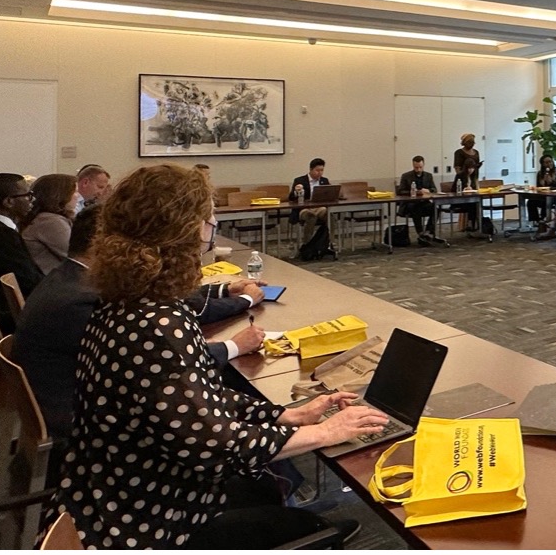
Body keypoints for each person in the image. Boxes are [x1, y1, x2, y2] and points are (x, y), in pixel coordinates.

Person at [47, 164, 386, 549]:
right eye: (209, 222)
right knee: (304, 522)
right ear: (185, 233)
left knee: (266, 490)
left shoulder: (128, 302)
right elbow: (215, 445)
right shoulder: (159, 324)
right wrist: (326, 431)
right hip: (149, 524)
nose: (212, 231)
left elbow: (196, 396)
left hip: (116, 494)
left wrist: (285, 414)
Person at [14, 205, 267, 441]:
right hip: (87, 417)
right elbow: (158, 365)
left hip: (84, 393)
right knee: (223, 403)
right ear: (102, 245)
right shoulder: (84, 299)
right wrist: (232, 346)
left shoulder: (71, 279)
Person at [0, 173, 44, 333]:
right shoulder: (0, 235)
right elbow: (28, 280)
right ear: (9, 202)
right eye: (28, 195)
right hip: (11, 316)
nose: (32, 200)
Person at [21, 173, 79, 274]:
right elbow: (77, 256)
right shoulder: (49, 221)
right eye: (75, 192)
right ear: (60, 195)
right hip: (54, 284)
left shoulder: (47, 218)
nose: (78, 196)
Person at [396, 155, 438, 244]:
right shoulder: (406, 176)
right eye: (416, 167)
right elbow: (400, 191)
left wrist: (428, 190)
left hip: (424, 202)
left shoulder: (428, 176)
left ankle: (428, 231)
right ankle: (420, 233)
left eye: (420, 167)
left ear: (424, 165)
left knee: (435, 208)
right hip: (410, 203)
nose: (418, 170)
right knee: (416, 208)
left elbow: (434, 190)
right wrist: (411, 192)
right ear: (413, 165)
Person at [289, 157, 330, 243]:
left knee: (329, 215)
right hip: (304, 209)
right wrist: (297, 191)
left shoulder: (324, 181)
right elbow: (291, 198)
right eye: (317, 170)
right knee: (311, 217)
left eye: (322, 170)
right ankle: (307, 243)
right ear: (311, 169)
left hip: (319, 208)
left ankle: (329, 242)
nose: (320, 173)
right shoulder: (299, 180)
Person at [527, 154, 556, 236]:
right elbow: (538, 186)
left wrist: (552, 182)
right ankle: (537, 221)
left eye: (550, 162)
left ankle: (543, 219)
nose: (549, 164)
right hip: (543, 195)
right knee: (531, 202)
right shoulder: (540, 173)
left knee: (545, 201)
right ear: (543, 164)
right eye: (546, 162)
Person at [451, 158, 481, 231]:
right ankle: (471, 224)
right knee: (473, 205)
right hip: (460, 201)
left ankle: (475, 225)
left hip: (470, 199)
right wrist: (464, 189)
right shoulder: (460, 175)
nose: (470, 170)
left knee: (476, 204)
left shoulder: (474, 176)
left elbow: (476, 188)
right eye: (469, 168)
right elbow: (453, 189)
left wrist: (474, 189)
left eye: (472, 168)